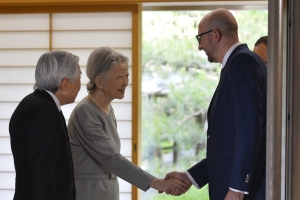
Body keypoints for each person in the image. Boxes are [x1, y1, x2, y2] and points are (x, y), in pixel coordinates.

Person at [164, 8, 267, 200]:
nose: (199, 47)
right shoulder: (238, 64)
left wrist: (237, 190)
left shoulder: (242, 63)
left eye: (199, 38)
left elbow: (249, 130)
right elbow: (227, 144)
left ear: (215, 35)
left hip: (242, 193)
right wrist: (190, 177)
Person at [67, 47, 187, 200]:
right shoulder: (86, 111)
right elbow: (111, 158)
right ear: (99, 81)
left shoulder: (107, 107)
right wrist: (156, 182)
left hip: (107, 190)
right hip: (89, 192)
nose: (125, 82)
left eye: (127, 75)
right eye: (119, 77)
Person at [9, 50, 81, 200]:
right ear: (65, 83)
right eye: (79, 76)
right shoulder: (44, 110)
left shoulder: (32, 102)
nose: (81, 83)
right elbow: (42, 172)